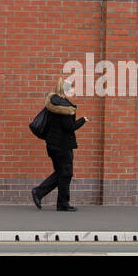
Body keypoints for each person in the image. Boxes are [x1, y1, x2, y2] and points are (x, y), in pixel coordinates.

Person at [32, 75, 87, 212]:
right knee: (66, 173)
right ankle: (56, 201)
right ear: (66, 90)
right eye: (72, 88)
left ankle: (43, 194)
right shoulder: (65, 107)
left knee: (61, 172)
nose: (74, 90)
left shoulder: (53, 103)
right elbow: (69, 127)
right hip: (63, 145)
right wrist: (83, 120)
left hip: (52, 144)